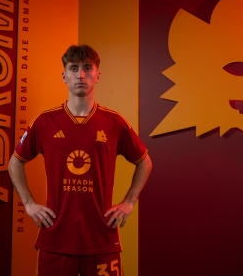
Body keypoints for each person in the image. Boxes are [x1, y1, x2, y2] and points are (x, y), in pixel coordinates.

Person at [8, 44, 152, 275]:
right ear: (64, 75)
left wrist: (129, 202)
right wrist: (28, 203)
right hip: (56, 237)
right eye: (74, 68)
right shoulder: (45, 122)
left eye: (87, 68)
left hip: (102, 237)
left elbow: (144, 161)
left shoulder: (114, 122)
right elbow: (15, 162)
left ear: (97, 75)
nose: (81, 75)